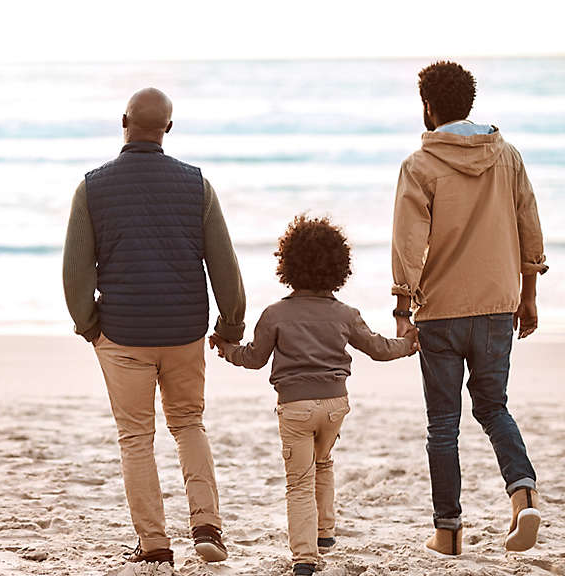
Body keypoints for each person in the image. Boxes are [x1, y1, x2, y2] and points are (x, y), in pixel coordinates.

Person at [62, 87, 245, 566]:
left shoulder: (92, 187)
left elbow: (75, 272)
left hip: (122, 334)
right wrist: (231, 324)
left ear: (123, 121)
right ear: (169, 127)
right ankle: (208, 527)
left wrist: (89, 326)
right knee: (188, 425)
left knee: (136, 439)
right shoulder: (197, 185)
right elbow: (224, 266)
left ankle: (155, 544)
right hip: (185, 331)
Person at [391, 60, 548, 556]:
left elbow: (408, 241)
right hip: (498, 306)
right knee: (494, 406)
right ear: (470, 103)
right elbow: (529, 227)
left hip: (440, 311)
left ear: (429, 106)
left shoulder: (420, 165)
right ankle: (523, 495)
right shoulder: (508, 157)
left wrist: (401, 306)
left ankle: (448, 531)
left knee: (443, 424)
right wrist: (529, 295)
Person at [218, 215, 417, 576]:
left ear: (288, 265)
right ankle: (324, 533)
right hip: (335, 406)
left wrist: (227, 349)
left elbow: (254, 359)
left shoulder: (275, 314)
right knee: (322, 462)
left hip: (295, 408)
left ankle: (305, 557)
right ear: (338, 268)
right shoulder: (345, 314)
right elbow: (378, 348)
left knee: (299, 481)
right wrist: (408, 344)